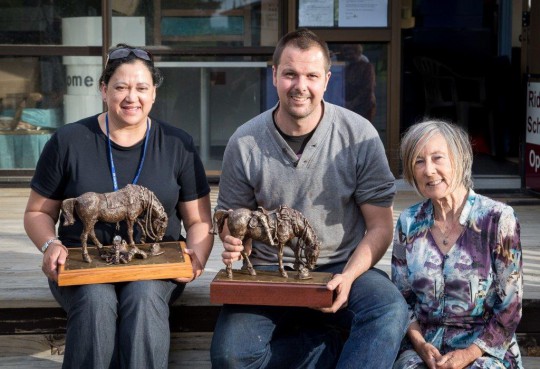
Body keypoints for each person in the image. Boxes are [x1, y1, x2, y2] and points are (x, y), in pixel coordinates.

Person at [210, 28, 408, 368]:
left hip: (341, 266)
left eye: (311, 76)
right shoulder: (244, 142)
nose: (300, 86)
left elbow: (379, 227)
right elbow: (232, 219)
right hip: (270, 272)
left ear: (327, 79)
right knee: (230, 356)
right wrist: (233, 240)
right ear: (274, 76)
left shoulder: (360, 136)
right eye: (290, 74)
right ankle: (324, 348)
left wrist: (347, 276)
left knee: (390, 310)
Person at [23, 44, 214, 369]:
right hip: (83, 265)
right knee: (96, 302)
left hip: (155, 265)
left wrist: (196, 256)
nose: (131, 97)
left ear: (153, 92)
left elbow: (198, 221)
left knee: (142, 298)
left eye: (141, 88)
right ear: (103, 89)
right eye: (121, 87)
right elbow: (37, 212)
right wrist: (50, 243)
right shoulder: (69, 140)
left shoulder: (177, 144)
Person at [392, 120, 523, 369]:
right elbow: (402, 300)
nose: (429, 170)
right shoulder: (409, 222)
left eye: (437, 158)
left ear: (459, 159)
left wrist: (466, 355)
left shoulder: (497, 219)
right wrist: (419, 345)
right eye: (419, 161)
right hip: (424, 347)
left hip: (483, 349)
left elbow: (510, 308)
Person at [341, 44, 376, 122]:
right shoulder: (347, 68)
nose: (347, 56)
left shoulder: (367, 67)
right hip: (349, 106)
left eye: (350, 53)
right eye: (346, 54)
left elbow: (368, 88)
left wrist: (352, 103)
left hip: (364, 107)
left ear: (358, 53)